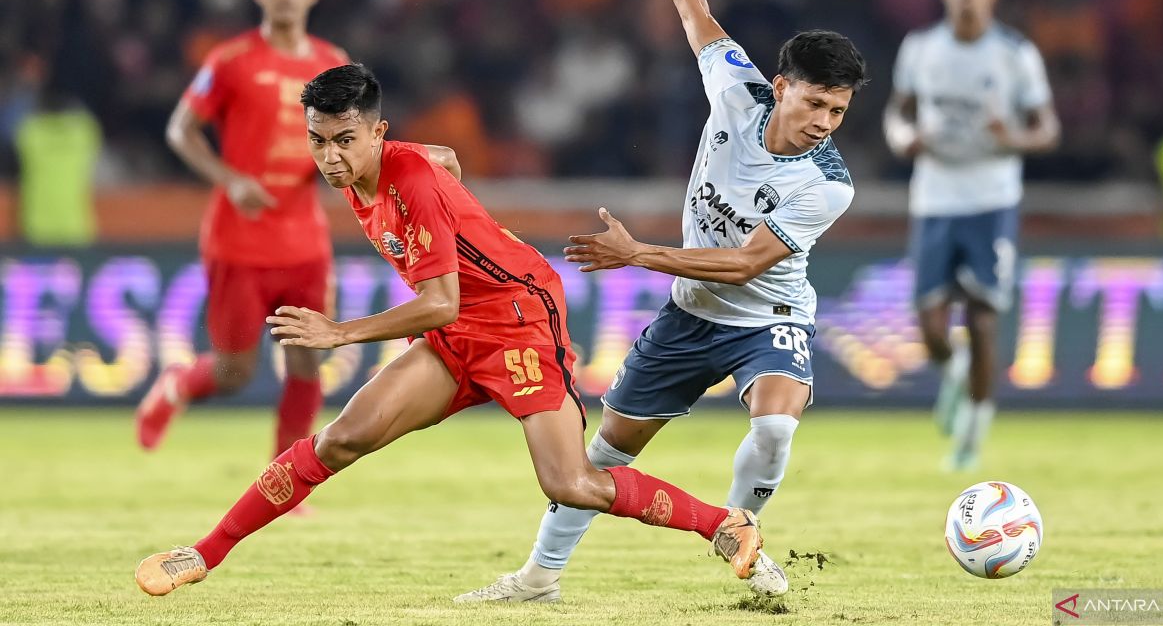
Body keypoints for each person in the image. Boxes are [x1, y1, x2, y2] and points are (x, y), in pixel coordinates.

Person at [135, 63, 764, 598]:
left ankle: (723, 525)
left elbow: (437, 301)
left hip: (518, 320)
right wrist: (461, 217)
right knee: (344, 439)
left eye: (344, 140)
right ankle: (203, 555)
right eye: (318, 140)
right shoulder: (367, 172)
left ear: (377, 133)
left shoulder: (405, 181)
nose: (330, 157)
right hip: (459, 325)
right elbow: (447, 159)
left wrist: (341, 332)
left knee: (568, 483)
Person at [457, 0, 866, 604]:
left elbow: (744, 265)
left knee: (774, 432)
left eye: (838, 111)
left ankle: (744, 538)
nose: (825, 123)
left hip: (766, 319)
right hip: (687, 314)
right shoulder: (736, 85)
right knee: (604, 456)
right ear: (781, 86)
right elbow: (692, 9)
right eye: (814, 103)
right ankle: (537, 579)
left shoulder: (827, 183)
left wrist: (637, 253)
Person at [135, 0, 353, 456]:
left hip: (304, 241)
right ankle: (178, 384)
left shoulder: (333, 64)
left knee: (308, 356)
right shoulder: (231, 60)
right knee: (235, 372)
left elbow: (354, 141)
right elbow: (180, 130)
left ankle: (286, 478)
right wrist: (229, 178)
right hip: (239, 239)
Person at [883, 0, 1059, 471]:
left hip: (991, 196)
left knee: (983, 320)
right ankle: (953, 370)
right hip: (935, 196)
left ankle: (972, 436)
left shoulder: (1014, 54)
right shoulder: (920, 49)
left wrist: (1014, 138)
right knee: (931, 325)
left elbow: (1047, 128)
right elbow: (897, 112)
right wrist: (902, 138)